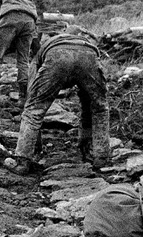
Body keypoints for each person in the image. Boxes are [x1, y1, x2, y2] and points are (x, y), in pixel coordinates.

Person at [8, 27, 110, 174]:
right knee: (99, 108)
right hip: (89, 55)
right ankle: (100, 157)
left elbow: (31, 97)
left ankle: (22, 161)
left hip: (58, 56)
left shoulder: (42, 51)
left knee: (34, 110)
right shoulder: (83, 42)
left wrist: (36, 146)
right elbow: (92, 98)